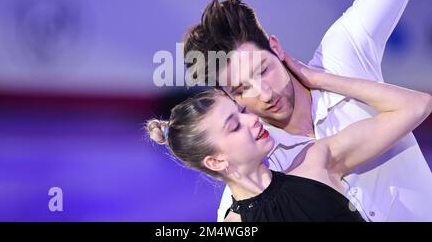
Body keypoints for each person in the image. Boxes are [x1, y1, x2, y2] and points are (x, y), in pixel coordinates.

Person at [183, 0, 432, 221]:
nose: (264, 93)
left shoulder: (341, 56)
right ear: (227, 96)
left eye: (263, 70)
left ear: (275, 47)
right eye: (242, 89)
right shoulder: (254, 170)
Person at [147, 53, 432, 221]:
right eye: (234, 126)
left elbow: (417, 105)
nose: (251, 119)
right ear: (215, 160)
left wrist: (319, 79)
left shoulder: (317, 161)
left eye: (241, 112)